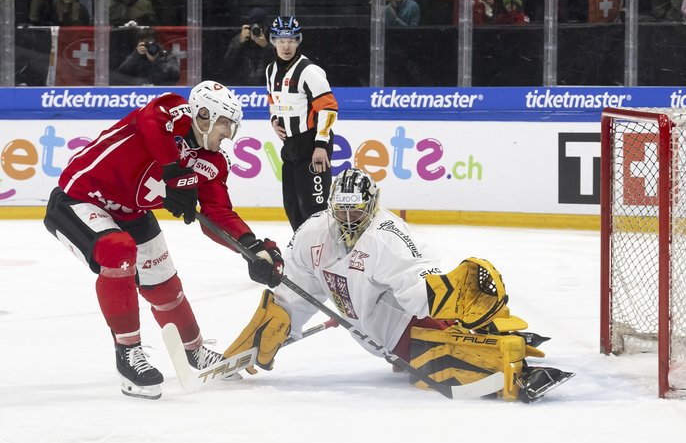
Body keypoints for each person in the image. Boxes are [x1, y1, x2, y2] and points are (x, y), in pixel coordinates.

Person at [225, 168, 574, 402]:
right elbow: (295, 294)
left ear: (371, 206)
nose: (347, 219)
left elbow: (417, 283)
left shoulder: (386, 236)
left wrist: (450, 292)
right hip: (375, 334)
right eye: (341, 211)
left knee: (449, 360)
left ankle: (503, 352)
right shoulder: (313, 233)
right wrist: (263, 335)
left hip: (406, 328)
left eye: (356, 212)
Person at [43, 81, 284, 400]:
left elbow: (218, 215)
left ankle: (194, 352)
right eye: (224, 123)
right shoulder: (172, 111)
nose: (228, 133)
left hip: (131, 212)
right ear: (203, 114)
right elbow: (150, 124)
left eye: (231, 125)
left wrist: (251, 248)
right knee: (119, 252)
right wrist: (173, 171)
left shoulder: (213, 163)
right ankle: (128, 354)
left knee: (165, 283)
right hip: (80, 199)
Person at [265, 16, 339, 232]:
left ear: (298, 41)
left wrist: (321, 145)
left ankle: (325, 256)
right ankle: (304, 255)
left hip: (311, 144)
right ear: (273, 41)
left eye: (291, 40)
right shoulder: (271, 70)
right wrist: (274, 120)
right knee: (292, 207)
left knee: (315, 208)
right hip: (290, 146)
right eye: (281, 40)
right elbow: (273, 98)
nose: (286, 46)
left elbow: (328, 107)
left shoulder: (309, 71)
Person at [223, 7, 275, 86]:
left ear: (267, 28)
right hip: (242, 85)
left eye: (262, 28)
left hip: (266, 85)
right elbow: (226, 66)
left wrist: (266, 46)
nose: (258, 31)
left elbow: (280, 66)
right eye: (254, 28)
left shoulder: (273, 40)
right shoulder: (241, 39)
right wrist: (238, 42)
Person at [113, 27, 180, 86]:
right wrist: (135, 55)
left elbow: (174, 76)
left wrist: (156, 60)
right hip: (138, 91)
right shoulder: (134, 56)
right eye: (145, 44)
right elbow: (120, 75)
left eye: (150, 44)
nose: (148, 47)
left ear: (157, 43)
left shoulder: (166, 55)